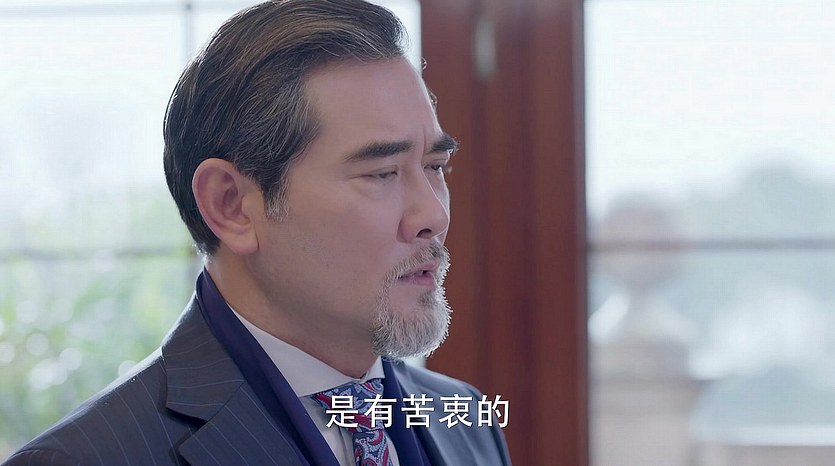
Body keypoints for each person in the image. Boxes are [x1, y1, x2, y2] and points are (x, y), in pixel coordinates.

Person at [3, 1, 511, 465]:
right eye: (381, 173)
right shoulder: (87, 458)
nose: (433, 215)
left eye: (435, 166)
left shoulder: (464, 419)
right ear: (231, 206)